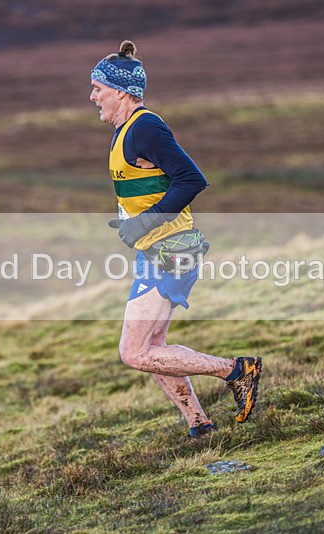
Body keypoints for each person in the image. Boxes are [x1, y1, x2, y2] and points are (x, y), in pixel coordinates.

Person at [89, 40, 262, 439]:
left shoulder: (144, 127)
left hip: (173, 250)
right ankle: (199, 426)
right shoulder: (123, 131)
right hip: (157, 250)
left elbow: (192, 179)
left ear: (121, 91)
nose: (92, 95)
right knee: (153, 349)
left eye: (97, 87)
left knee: (134, 352)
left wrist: (144, 222)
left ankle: (237, 371)